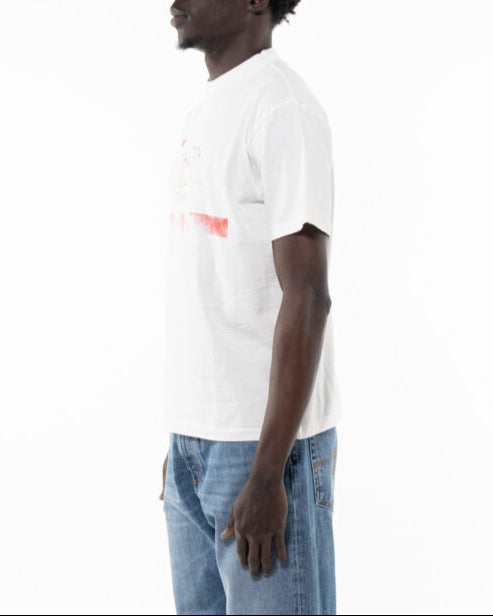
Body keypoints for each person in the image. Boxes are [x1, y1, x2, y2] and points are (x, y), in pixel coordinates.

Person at [160, 1, 343, 614]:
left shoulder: (280, 107)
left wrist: (268, 470)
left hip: (263, 452)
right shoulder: (207, 108)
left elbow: (308, 295)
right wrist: (186, 436)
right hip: (196, 446)